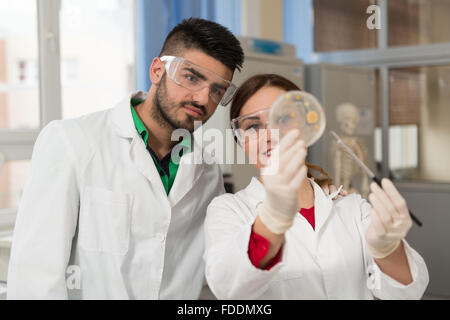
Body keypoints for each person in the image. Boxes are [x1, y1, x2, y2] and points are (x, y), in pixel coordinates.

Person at [7, 18, 244, 299]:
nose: (203, 98)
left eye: (217, 90)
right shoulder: (72, 142)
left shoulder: (207, 173)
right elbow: (35, 278)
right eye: (192, 77)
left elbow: (208, 275)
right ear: (157, 70)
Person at [204, 74, 429, 299]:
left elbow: (408, 292)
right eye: (253, 127)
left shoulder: (353, 208)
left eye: (282, 120)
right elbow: (228, 287)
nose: (269, 136)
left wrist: (387, 249)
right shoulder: (229, 210)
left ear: (306, 129)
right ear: (241, 141)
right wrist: (271, 220)